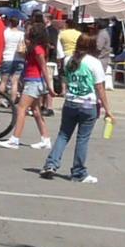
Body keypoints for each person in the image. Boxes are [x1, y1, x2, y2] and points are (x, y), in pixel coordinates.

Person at [41, 29, 112, 182]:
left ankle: (51, 164)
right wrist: (107, 109)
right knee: (82, 138)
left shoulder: (68, 60)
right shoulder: (94, 63)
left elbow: (66, 79)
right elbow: (100, 88)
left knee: (63, 134)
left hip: (71, 102)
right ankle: (78, 171)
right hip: (88, 104)